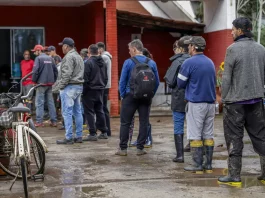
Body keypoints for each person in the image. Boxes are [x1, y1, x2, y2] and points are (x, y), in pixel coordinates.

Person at [218, 17, 265, 185]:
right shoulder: (261, 49)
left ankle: (234, 176)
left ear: (239, 30)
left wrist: (223, 100)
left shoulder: (232, 49)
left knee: (234, 138)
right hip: (257, 101)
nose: (231, 32)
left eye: (233, 29)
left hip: (235, 103)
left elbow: (227, 78)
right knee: (261, 137)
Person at [177, 36, 216, 173]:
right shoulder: (210, 62)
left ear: (193, 47)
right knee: (208, 134)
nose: (188, 48)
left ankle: (197, 165)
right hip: (211, 104)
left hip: (196, 103)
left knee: (195, 134)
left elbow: (180, 83)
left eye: (189, 45)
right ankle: (209, 165)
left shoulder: (189, 62)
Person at [116, 39, 160, 156]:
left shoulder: (128, 62)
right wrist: (151, 93)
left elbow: (122, 81)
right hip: (146, 97)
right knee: (144, 122)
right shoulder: (152, 63)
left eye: (130, 50)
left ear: (134, 49)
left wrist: (122, 95)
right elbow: (156, 82)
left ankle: (123, 149)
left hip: (130, 96)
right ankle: (140, 148)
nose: (129, 52)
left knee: (125, 122)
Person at [56, 38, 84, 144]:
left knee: (67, 112)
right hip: (78, 86)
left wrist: (61, 86)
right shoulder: (78, 56)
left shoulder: (68, 57)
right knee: (77, 112)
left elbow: (66, 74)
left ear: (66, 46)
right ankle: (79, 136)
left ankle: (68, 137)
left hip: (69, 87)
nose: (62, 48)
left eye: (62, 46)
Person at [167, 36, 191, 163]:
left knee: (178, 125)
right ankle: (198, 151)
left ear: (181, 48)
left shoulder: (177, 62)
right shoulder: (194, 60)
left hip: (178, 98)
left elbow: (170, 82)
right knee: (195, 126)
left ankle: (180, 155)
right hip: (193, 98)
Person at [82, 44, 108, 141]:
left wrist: (84, 90)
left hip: (90, 90)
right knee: (100, 110)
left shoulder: (88, 63)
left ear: (89, 52)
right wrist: (102, 86)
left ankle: (92, 133)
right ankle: (104, 131)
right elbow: (106, 78)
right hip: (100, 89)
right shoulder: (103, 62)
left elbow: (85, 78)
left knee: (89, 112)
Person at [129, 48, 154, 148]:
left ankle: (143, 140)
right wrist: (151, 93)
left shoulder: (131, 63)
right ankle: (147, 140)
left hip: (134, 95)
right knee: (145, 119)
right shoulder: (151, 63)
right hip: (148, 95)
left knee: (134, 119)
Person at [31, 45, 58, 127]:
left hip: (41, 84)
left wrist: (34, 81)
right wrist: (53, 80)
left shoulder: (38, 59)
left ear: (39, 50)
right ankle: (54, 121)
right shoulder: (50, 58)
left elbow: (35, 71)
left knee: (39, 103)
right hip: (49, 84)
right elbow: (55, 71)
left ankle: (39, 121)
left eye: (35, 51)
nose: (34, 53)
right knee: (50, 102)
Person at [96, 42, 112, 136]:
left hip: (104, 85)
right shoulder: (107, 57)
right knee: (103, 107)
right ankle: (106, 129)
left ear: (101, 49)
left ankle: (106, 129)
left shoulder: (104, 57)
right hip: (106, 85)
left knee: (103, 108)